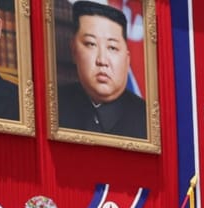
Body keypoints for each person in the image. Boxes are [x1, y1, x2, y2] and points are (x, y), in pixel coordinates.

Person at [57, 0, 147, 138]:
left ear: (127, 58)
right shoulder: (54, 105)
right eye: (91, 44)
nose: (102, 60)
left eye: (112, 47)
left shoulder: (147, 120)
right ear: (74, 50)